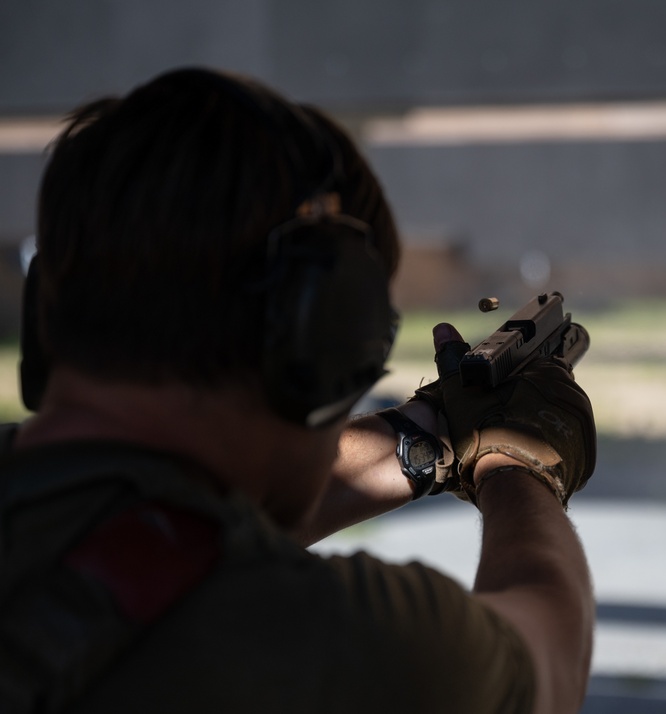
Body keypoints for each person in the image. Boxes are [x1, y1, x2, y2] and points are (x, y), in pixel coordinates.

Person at [0, 68, 597, 713]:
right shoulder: (318, 635)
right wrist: (518, 463)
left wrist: (432, 433)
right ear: (326, 341)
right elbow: (551, 659)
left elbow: (178, 526)